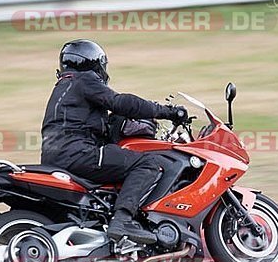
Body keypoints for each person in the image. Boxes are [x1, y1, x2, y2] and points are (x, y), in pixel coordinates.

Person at [40, 39, 187, 244]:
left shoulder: (64, 87)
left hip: (55, 155)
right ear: (94, 63)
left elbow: (95, 124)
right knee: (146, 164)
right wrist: (165, 111)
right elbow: (120, 103)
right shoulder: (83, 80)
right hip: (78, 152)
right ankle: (123, 220)